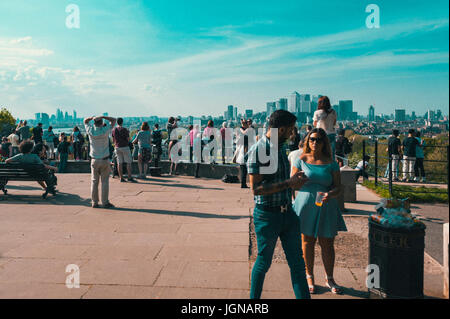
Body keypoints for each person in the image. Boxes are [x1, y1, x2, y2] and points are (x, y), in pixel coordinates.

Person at [247, 109, 310, 299]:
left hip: (287, 213)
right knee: (263, 262)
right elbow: (256, 189)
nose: (293, 134)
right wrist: (289, 183)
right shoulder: (260, 149)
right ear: (281, 129)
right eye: (291, 130)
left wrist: (293, 181)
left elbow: (280, 180)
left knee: (298, 265)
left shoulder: (279, 147)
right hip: (267, 215)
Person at [291, 128, 347, 294]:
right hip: (306, 204)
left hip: (326, 204)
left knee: (327, 243)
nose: (315, 142)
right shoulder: (300, 159)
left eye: (319, 140)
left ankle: (330, 278)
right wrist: (296, 181)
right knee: (307, 241)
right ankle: (309, 276)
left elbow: (339, 187)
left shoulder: (331, 162)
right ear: (308, 141)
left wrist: (331, 194)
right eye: (312, 139)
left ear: (325, 143)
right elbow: (293, 184)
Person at [84, 115, 116, 208]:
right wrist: (103, 116)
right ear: (101, 123)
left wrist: (91, 118)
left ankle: (94, 202)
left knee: (94, 182)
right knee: (105, 182)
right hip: (105, 159)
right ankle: (105, 202)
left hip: (94, 159)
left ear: (94, 123)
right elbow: (114, 120)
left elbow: (85, 121)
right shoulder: (105, 130)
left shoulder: (90, 130)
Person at [112, 118, 136, 182]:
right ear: (122, 122)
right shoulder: (124, 129)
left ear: (117, 122)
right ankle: (129, 177)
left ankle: (121, 178)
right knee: (128, 162)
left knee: (119, 163)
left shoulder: (114, 130)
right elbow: (128, 139)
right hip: (125, 146)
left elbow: (113, 140)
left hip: (117, 147)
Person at [234, 119, 250, 188]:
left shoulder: (240, 132)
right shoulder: (245, 133)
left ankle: (243, 183)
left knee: (242, 169)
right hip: (244, 153)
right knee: (244, 170)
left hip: (240, 152)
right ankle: (243, 184)